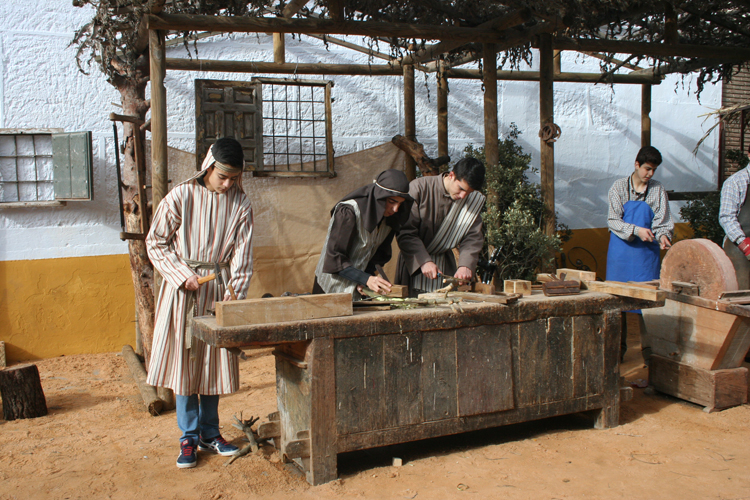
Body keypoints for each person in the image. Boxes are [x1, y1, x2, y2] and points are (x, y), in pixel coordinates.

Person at [146, 137, 253, 469]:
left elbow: (243, 255)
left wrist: (234, 292)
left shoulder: (242, 203)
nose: (228, 183)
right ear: (208, 167)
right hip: (184, 292)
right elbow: (156, 242)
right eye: (223, 176)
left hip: (218, 290)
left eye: (234, 177)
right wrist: (181, 275)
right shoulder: (181, 195)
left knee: (212, 363)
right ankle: (188, 437)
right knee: (186, 362)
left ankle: (211, 432)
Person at [606, 145, 673, 363]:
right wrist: (636, 230)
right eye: (647, 169)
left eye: (654, 170)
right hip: (620, 256)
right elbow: (613, 220)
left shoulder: (657, 190)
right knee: (618, 304)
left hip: (646, 256)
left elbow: (662, 222)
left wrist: (663, 236)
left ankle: (651, 358)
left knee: (648, 306)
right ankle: (616, 355)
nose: (650, 174)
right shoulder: (618, 187)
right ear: (636, 164)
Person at [313, 169, 413, 298]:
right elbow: (335, 259)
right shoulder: (349, 212)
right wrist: (366, 279)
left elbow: (378, 255)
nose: (395, 209)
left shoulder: (390, 218)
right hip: (328, 289)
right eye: (392, 202)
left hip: (357, 290)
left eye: (400, 203)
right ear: (379, 197)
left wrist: (364, 279)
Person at [395, 157, 486, 294]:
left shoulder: (472, 200)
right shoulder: (419, 188)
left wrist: (465, 265)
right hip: (414, 263)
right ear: (451, 175)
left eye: (469, 192)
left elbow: (473, 237)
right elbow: (406, 232)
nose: (463, 196)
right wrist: (424, 261)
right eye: (461, 189)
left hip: (446, 265)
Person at [719, 147, 750, 289]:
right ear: (749, 155)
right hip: (738, 243)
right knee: (743, 289)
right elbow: (727, 217)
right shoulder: (735, 182)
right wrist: (744, 243)